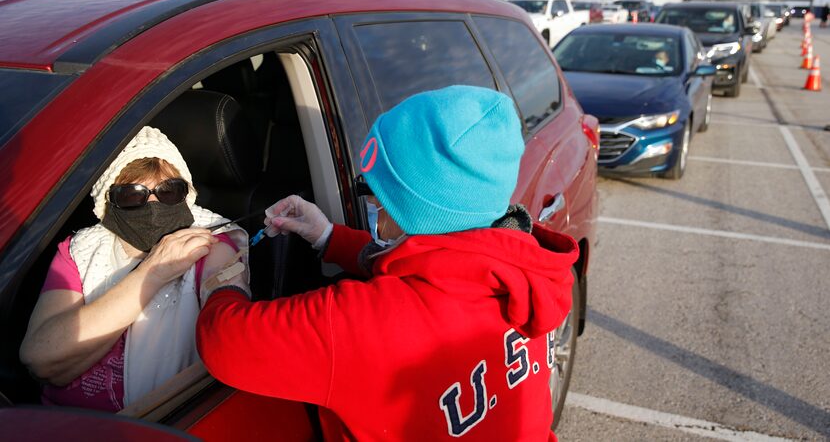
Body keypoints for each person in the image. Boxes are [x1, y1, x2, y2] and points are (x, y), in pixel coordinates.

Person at [196, 85, 578, 440]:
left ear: (420, 210)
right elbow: (437, 271)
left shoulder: (361, 322)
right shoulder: (527, 272)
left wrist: (224, 275)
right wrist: (327, 235)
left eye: (376, 190)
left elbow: (222, 342)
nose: (372, 203)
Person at [19, 126, 249, 412]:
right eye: (132, 195)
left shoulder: (210, 241)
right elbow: (40, 358)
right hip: (58, 423)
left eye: (169, 191)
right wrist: (152, 272)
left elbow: (233, 336)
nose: (153, 204)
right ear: (108, 202)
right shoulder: (82, 250)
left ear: (187, 193)